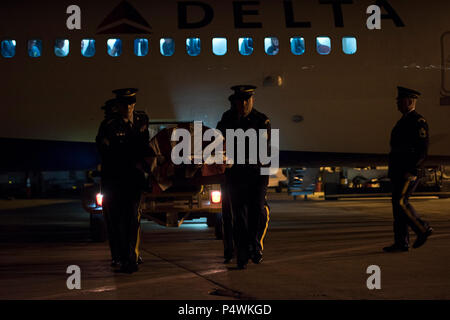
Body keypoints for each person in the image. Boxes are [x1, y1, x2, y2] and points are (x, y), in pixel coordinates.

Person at [96, 88, 151, 273]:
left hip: (133, 180)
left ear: (134, 104)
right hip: (115, 179)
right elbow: (105, 152)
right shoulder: (108, 125)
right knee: (116, 220)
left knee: (132, 219)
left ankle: (131, 258)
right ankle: (120, 255)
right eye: (124, 104)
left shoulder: (141, 120)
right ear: (118, 106)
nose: (128, 107)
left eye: (130, 103)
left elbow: (145, 146)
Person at [216, 85, 271, 269]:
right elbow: (218, 141)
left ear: (252, 100)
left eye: (248, 100)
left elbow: (263, 151)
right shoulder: (227, 119)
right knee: (238, 215)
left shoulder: (261, 120)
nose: (244, 104)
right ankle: (243, 252)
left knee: (258, 209)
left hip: (257, 172)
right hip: (236, 174)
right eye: (241, 100)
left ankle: (255, 245)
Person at [383, 86, 433, 253]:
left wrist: (412, 169)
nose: (397, 104)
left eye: (400, 101)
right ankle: (401, 242)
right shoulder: (403, 120)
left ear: (410, 101)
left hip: (408, 170)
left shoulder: (418, 121)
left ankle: (422, 228)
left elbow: (422, 149)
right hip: (398, 169)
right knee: (397, 207)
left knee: (401, 202)